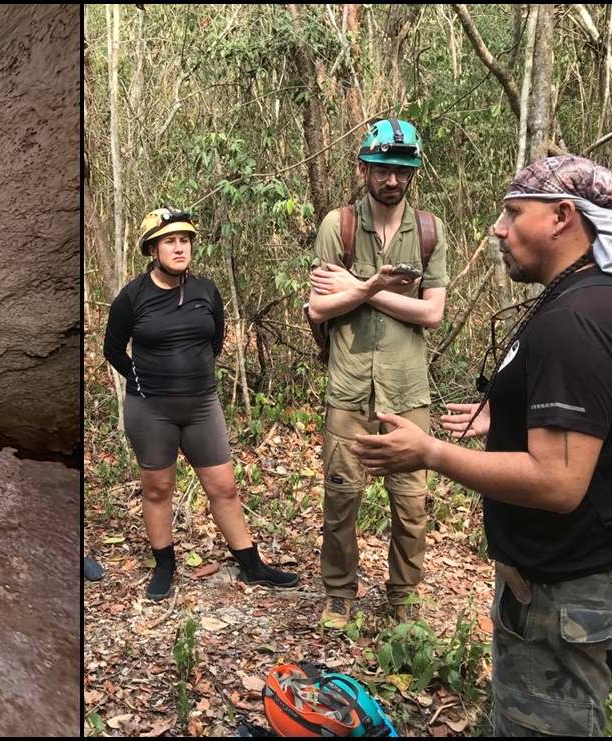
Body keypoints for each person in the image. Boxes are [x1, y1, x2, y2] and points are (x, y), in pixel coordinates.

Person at [351, 155, 612, 736]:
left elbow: (559, 482)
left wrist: (431, 454)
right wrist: (510, 414)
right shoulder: (605, 298)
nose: (498, 227)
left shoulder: (580, 320)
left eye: (514, 213)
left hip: (564, 592)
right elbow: (601, 418)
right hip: (566, 583)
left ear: (563, 216)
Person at [103, 206, 300, 601]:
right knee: (158, 488)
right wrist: (142, 379)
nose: (179, 248)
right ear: (152, 249)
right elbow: (113, 349)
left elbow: (214, 341)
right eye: (169, 242)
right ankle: (164, 567)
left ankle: (252, 565)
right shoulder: (132, 297)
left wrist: (195, 377)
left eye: (184, 240)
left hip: (201, 406)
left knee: (223, 487)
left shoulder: (206, 290)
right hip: (151, 409)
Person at [305, 119, 448, 629]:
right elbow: (320, 309)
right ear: (363, 167)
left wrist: (362, 287)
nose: (393, 180)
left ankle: (403, 598)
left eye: (402, 171)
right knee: (341, 496)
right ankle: (339, 592)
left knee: (411, 502)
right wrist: (370, 289)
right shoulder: (337, 226)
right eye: (384, 169)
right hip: (348, 388)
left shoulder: (429, 230)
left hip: (407, 391)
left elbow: (432, 313)